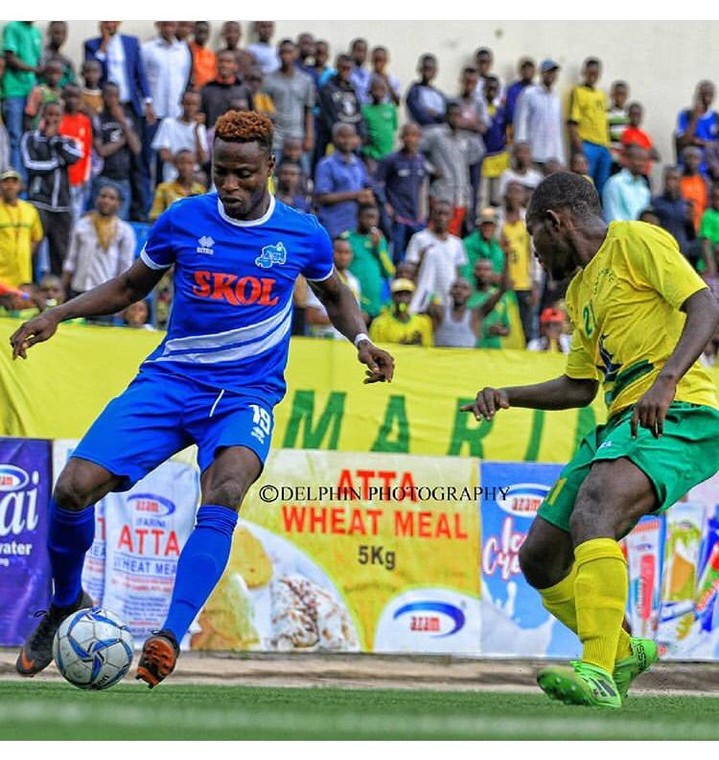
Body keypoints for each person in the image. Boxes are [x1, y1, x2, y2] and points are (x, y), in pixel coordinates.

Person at [11, 109, 394, 689]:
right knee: (71, 489)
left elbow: (335, 295)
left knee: (226, 492)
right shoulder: (184, 219)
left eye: (244, 174)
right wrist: (57, 314)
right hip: (170, 383)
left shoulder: (303, 234)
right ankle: (65, 603)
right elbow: (129, 286)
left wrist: (362, 340)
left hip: (245, 395)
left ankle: (167, 636)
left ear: (270, 166)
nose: (230, 185)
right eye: (221, 173)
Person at [462, 170, 719, 709]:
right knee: (540, 557)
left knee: (595, 511)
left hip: (682, 409)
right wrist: (508, 394)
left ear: (555, 222)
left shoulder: (635, 240)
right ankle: (622, 651)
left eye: (534, 239)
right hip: (622, 418)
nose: (535, 256)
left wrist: (667, 381)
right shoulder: (580, 291)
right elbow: (580, 386)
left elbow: (705, 306)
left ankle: (599, 671)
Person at [21, 101, 81, 278]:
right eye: (49, 114)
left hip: (62, 206)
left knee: (60, 253)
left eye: (57, 115)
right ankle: (30, 288)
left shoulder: (66, 141)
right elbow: (31, 166)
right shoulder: (31, 138)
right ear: (43, 115)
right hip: (38, 203)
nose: (52, 119)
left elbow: (75, 157)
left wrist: (55, 141)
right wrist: (56, 163)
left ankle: (57, 291)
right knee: (32, 251)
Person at [62, 183, 136, 307]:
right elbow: (71, 260)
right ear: (96, 199)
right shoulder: (82, 224)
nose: (106, 201)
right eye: (103, 196)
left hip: (105, 293)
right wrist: (63, 288)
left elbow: (125, 265)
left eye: (112, 198)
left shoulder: (124, 230)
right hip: (79, 289)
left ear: (118, 204)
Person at [421, 99, 482, 237]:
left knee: (454, 236)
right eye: (453, 115)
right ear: (447, 116)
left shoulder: (465, 138)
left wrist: (472, 127)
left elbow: (478, 154)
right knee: (436, 232)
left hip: (460, 195)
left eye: (459, 115)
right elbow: (415, 151)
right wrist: (430, 169)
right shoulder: (435, 134)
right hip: (441, 193)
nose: (456, 119)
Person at [375, 123, 427, 264]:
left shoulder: (420, 160)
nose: (411, 139)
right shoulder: (390, 160)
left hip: (416, 217)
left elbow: (421, 185)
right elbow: (377, 183)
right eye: (408, 135)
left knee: (415, 256)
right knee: (396, 256)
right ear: (401, 137)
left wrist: (422, 210)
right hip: (398, 217)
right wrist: (386, 205)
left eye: (415, 135)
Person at [405, 199, 467, 313]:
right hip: (424, 298)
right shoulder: (419, 239)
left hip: (447, 299)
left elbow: (458, 273)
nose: (442, 218)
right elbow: (410, 270)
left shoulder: (457, 243)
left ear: (451, 217)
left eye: (446, 214)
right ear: (432, 215)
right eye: (439, 213)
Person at [92, 82, 142, 222]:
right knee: (100, 220)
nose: (113, 99)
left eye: (116, 96)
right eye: (109, 95)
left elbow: (136, 148)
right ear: (103, 97)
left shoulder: (128, 119)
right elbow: (102, 151)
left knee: (120, 222)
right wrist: (123, 140)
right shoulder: (98, 119)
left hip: (123, 178)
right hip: (103, 177)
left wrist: (122, 122)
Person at [314, 122, 374, 239]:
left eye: (351, 136)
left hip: (355, 226)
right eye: (342, 136)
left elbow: (366, 187)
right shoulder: (326, 164)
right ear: (334, 139)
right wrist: (355, 195)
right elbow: (322, 197)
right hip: (334, 225)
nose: (347, 141)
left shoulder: (358, 163)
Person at [261, 39, 315, 168]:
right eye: (283, 52)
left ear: (296, 54)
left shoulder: (305, 80)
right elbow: (263, 109)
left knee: (303, 172)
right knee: (272, 172)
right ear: (278, 55)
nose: (286, 56)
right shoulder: (268, 80)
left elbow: (308, 110)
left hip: (298, 135)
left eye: (289, 52)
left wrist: (309, 136)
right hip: (276, 137)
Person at [1, 21, 43, 181]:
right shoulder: (13, 27)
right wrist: (35, 70)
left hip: (30, 92)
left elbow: (37, 60)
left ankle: (28, 181)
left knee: (29, 138)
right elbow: (10, 57)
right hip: (14, 91)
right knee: (15, 138)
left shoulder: (36, 32)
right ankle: (16, 182)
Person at [567, 57, 611, 196]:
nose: (592, 76)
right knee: (585, 184)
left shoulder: (601, 95)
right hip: (587, 145)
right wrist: (579, 148)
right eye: (590, 72)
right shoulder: (578, 91)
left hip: (603, 146)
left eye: (595, 73)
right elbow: (572, 122)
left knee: (602, 187)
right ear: (584, 72)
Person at [305, 235, 362, 338]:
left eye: (347, 252)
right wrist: (346, 319)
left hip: (346, 342)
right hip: (322, 341)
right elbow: (311, 317)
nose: (343, 257)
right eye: (339, 252)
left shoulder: (354, 281)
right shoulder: (320, 279)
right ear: (330, 253)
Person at [514, 59, 565, 170]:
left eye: (554, 72)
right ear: (541, 73)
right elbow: (521, 121)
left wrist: (560, 157)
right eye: (548, 72)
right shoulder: (529, 93)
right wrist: (521, 146)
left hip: (552, 158)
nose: (551, 75)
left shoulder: (556, 99)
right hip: (533, 154)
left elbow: (558, 129)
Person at [347, 203, 394, 322]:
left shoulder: (379, 240)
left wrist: (379, 248)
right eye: (368, 217)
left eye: (375, 218)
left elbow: (389, 272)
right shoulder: (348, 239)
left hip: (376, 304)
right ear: (358, 217)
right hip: (355, 302)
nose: (371, 222)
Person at [151, 89, 208, 184]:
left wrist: (196, 131)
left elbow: (203, 158)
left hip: (194, 177)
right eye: (187, 104)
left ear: (199, 106)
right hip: (172, 176)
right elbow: (164, 153)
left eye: (194, 104)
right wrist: (184, 166)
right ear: (181, 103)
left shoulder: (200, 128)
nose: (190, 108)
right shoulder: (168, 123)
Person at [0, 168, 43, 289]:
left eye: (14, 182)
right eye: (6, 182)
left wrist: (24, 254)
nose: (10, 186)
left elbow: (36, 237)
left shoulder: (30, 210)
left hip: (23, 275)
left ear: (20, 185)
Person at [59, 84, 94, 226]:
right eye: (69, 97)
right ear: (63, 98)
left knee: (75, 218)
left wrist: (86, 176)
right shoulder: (58, 119)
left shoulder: (85, 121)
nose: (72, 101)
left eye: (76, 97)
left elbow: (87, 150)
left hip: (79, 179)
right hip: (62, 179)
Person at [651, 166, 696, 264]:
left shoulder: (686, 204)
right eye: (668, 179)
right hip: (663, 252)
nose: (670, 182)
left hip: (682, 253)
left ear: (680, 181)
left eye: (674, 179)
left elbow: (691, 233)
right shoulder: (655, 203)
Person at [369, 277, 433, 346]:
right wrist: (401, 346)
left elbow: (428, 348)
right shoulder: (380, 324)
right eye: (399, 295)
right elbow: (376, 348)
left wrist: (418, 344)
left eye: (407, 294)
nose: (403, 298)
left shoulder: (422, 323)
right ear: (392, 297)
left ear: (412, 297)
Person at [675, 80, 719, 180]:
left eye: (709, 94)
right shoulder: (686, 115)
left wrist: (697, 141)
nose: (706, 98)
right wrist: (695, 117)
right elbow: (683, 141)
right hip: (689, 168)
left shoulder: (715, 117)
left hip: (710, 168)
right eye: (703, 94)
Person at [148, 150, 207, 222]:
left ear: (194, 166)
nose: (185, 167)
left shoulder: (200, 190)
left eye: (190, 163)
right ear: (175, 165)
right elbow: (155, 217)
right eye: (182, 163)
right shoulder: (164, 188)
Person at [601, 144, 652, 222]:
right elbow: (613, 216)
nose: (642, 164)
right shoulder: (615, 183)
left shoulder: (643, 186)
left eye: (645, 160)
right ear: (627, 160)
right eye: (638, 159)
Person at [405, 54, 446, 131]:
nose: (427, 72)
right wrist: (437, 120)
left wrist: (436, 115)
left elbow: (447, 115)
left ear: (435, 71)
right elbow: (419, 114)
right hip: (423, 132)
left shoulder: (439, 94)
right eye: (425, 68)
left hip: (441, 132)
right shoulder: (414, 92)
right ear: (419, 70)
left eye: (430, 69)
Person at [38, 21, 76, 89]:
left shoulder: (67, 60)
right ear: (49, 33)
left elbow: (72, 82)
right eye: (56, 33)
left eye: (63, 33)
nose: (60, 37)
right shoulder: (41, 56)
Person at [606, 80, 630, 176]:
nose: (620, 97)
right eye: (617, 94)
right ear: (612, 95)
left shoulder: (629, 115)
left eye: (623, 94)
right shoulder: (607, 114)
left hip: (626, 158)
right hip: (612, 156)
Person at [189, 22, 217, 91]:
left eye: (205, 33)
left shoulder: (211, 54)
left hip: (208, 91)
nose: (202, 35)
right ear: (194, 32)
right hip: (192, 91)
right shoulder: (187, 51)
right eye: (200, 32)